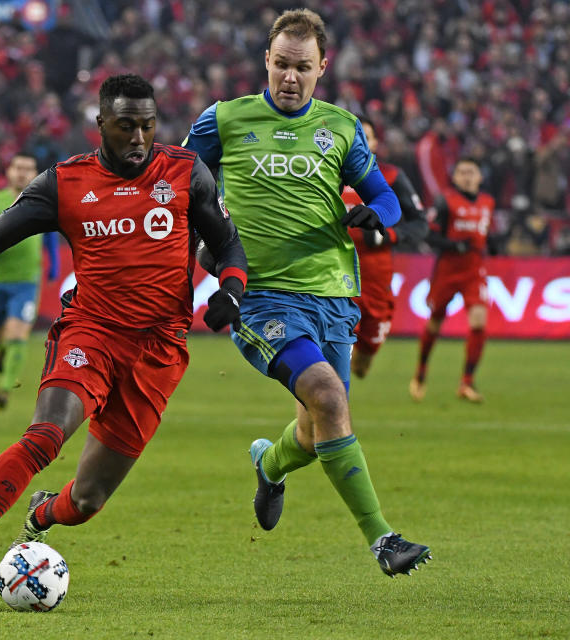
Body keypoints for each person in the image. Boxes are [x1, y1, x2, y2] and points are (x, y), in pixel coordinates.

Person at [0, 74, 247, 598]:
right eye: (125, 125)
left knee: (87, 502)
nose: (138, 138)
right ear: (100, 125)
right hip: (91, 332)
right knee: (46, 435)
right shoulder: (64, 184)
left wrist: (230, 290)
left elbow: (228, 243)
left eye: (147, 126)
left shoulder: (185, 173)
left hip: (159, 351)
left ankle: (43, 511)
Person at [184, 9, 430, 577]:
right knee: (328, 396)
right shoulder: (223, 119)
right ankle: (383, 540)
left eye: (302, 67)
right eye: (281, 64)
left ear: (323, 67)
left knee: (319, 427)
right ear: (265, 62)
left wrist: (376, 215)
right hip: (261, 294)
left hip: (334, 295)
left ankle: (269, 465)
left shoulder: (341, 127)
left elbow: (386, 198)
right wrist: (204, 251)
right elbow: (176, 185)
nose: (290, 77)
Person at [342, 121, 428, 378]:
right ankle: (320, 413)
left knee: (361, 365)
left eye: (364, 136)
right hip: (336, 281)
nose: (358, 141)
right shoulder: (327, 174)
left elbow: (420, 224)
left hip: (377, 285)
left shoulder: (391, 176)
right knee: (329, 367)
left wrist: (387, 235)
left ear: (375, 143)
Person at [0, 151, 60, 409]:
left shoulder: (43, 203)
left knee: (18, 334)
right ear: (8, 172)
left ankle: (4, 389)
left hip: (26, 281)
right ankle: (2, 351)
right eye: (18, 167)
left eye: (28, 168)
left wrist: (54, 266)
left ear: (35, 174)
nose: (23, 172)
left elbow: (50, 237)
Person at [410, 157, 494, 403]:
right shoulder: (445, 201)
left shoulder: (488, 202)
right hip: (447, 270)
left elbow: (484, 232)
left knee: (479, 323)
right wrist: (454, 245)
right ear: (454, 177)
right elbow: (429, 235)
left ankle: (466, 382)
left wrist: (493, 244)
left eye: (472, 171)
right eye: (462, 172)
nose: (467, 176)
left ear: (480, 177)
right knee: (435, 323)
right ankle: (421, 371)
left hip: (474, 270)